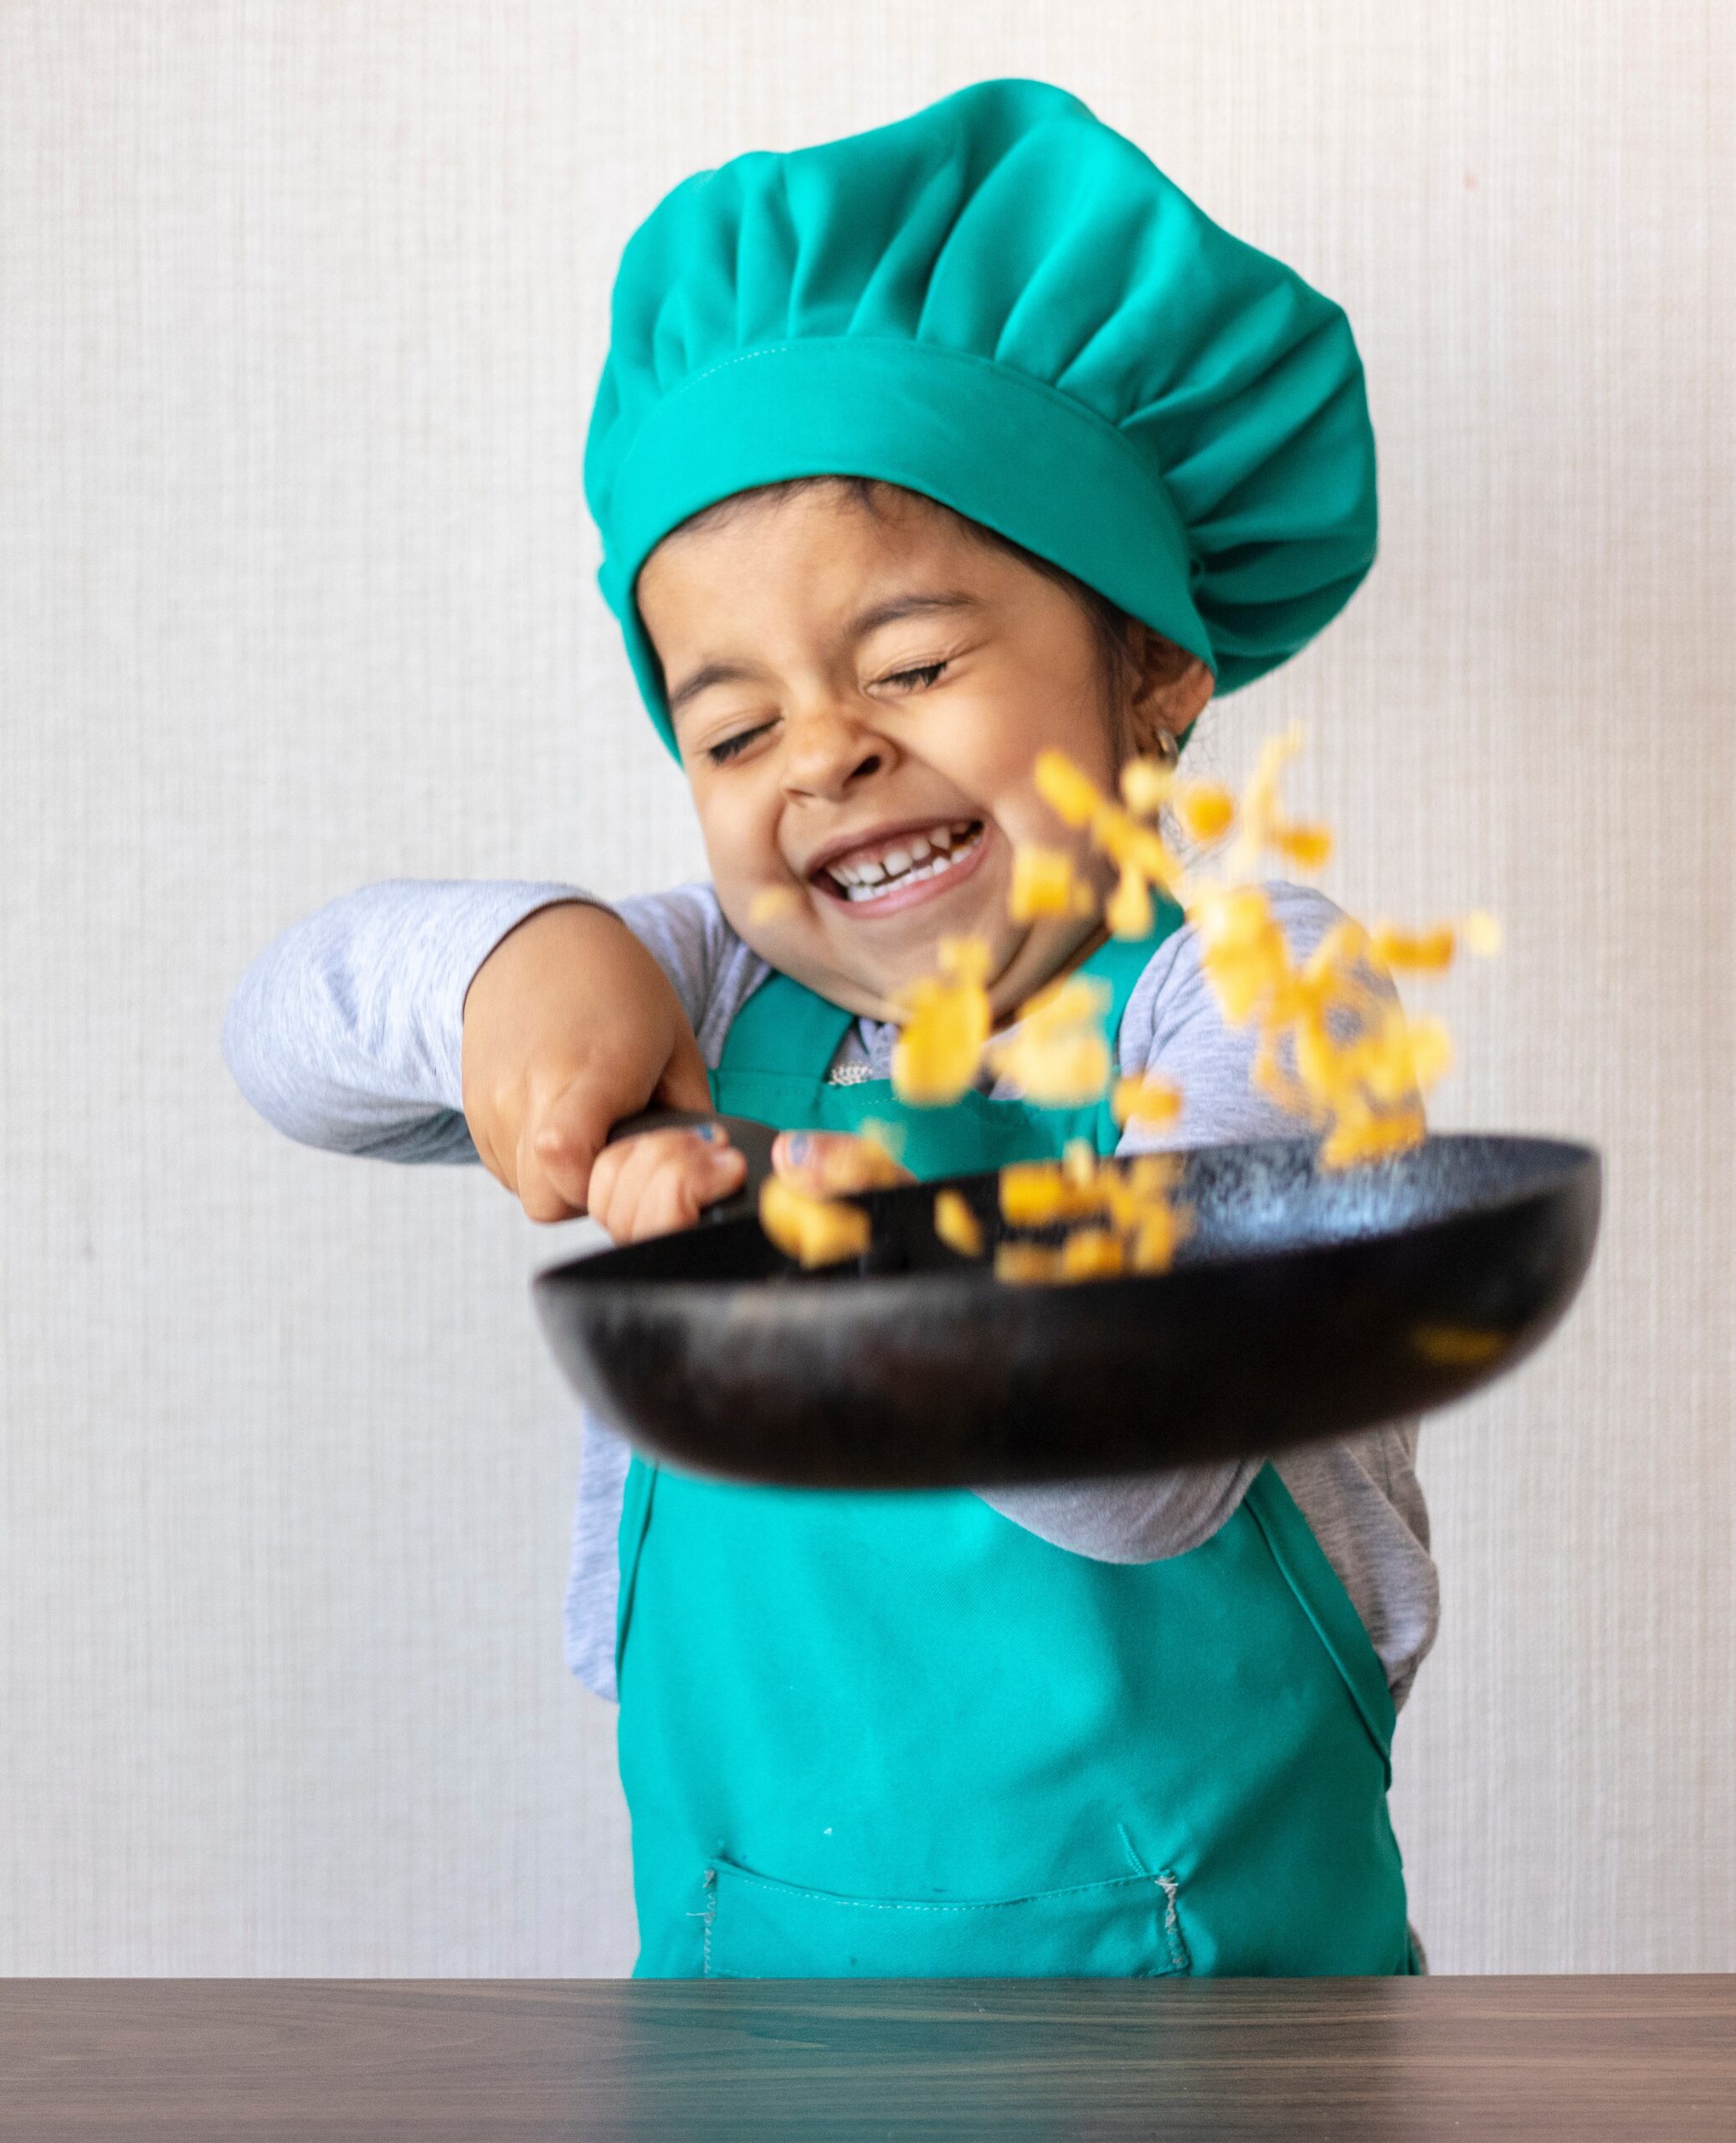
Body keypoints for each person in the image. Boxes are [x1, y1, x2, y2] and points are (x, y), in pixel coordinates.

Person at [223, 76, 1438, 1978]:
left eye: (915, 664)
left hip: (1201, 2027)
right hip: (742, 2003)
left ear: (1154, 673)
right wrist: (517, 964)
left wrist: (852, 1232)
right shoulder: (710, 982)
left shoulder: (1258, 987)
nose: (828, 751)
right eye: (731, 729)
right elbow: (283, 1040)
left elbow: (1152, 1460)